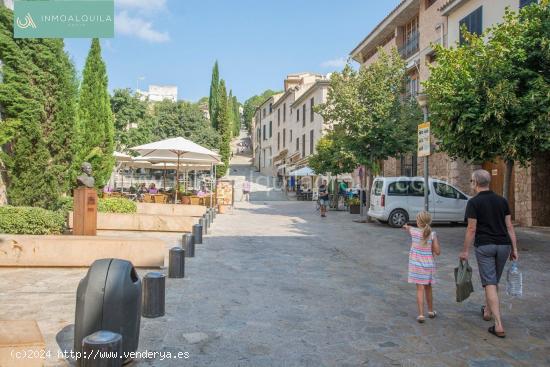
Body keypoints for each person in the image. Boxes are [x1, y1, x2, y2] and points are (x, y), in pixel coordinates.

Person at [460, 169, 518, 338]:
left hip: (485, 247)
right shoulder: (502, 201)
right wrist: (514, 249)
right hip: (503, 246)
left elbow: (471, 228)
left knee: (490, 282)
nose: (471, 184)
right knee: (493, 280)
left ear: (475, 183)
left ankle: (498, 324)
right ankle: (487, 311)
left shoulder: (473, 203)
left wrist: (465, 250)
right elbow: (509, 226)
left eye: (471, 181)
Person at [404, 211, 441, 323]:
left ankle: (421, 314)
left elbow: (408, 228)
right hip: (428, 265)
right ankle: (430, 311)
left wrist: (407, 226)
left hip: (416, 265)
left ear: (418, 221)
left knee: (420, 289)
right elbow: (438, 251)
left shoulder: (413, 232)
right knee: (428, 288)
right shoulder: (432, 234)